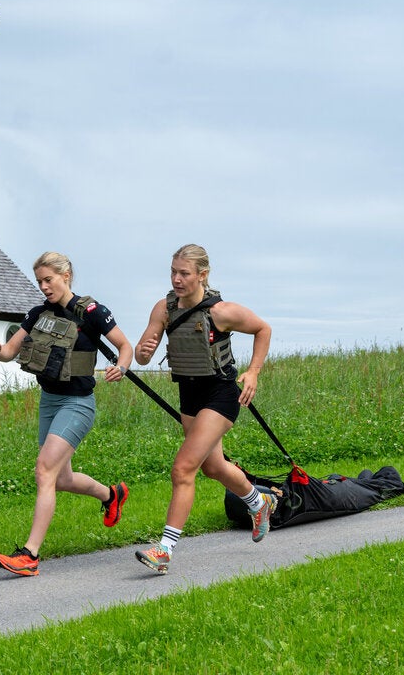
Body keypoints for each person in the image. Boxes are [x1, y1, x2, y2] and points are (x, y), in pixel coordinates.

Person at [0, 251, 133, 577]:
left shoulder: (93, 312)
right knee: (61, 479)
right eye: (39, 281)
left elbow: (125, 346)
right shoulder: (39, 314)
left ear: (65, 275)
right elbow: (11, 352)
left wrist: (120, 367)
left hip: (78, 403)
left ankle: (30, 554)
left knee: (44, 471)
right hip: (49, 401)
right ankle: (112, 495)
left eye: (48, 279)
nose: (43, 286)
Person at [133, 244, 275, 575]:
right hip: (189, 395)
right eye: (173, 271)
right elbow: (142, 356)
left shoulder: (221, 311)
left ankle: (164, 550)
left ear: (202, 275)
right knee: (213, 467)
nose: (177, 279)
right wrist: (143, 351)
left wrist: (253, 372)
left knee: (183, 468)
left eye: (184, 273)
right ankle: (259, 502)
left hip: (221, 394)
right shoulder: (164, 308)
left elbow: (263, 329)